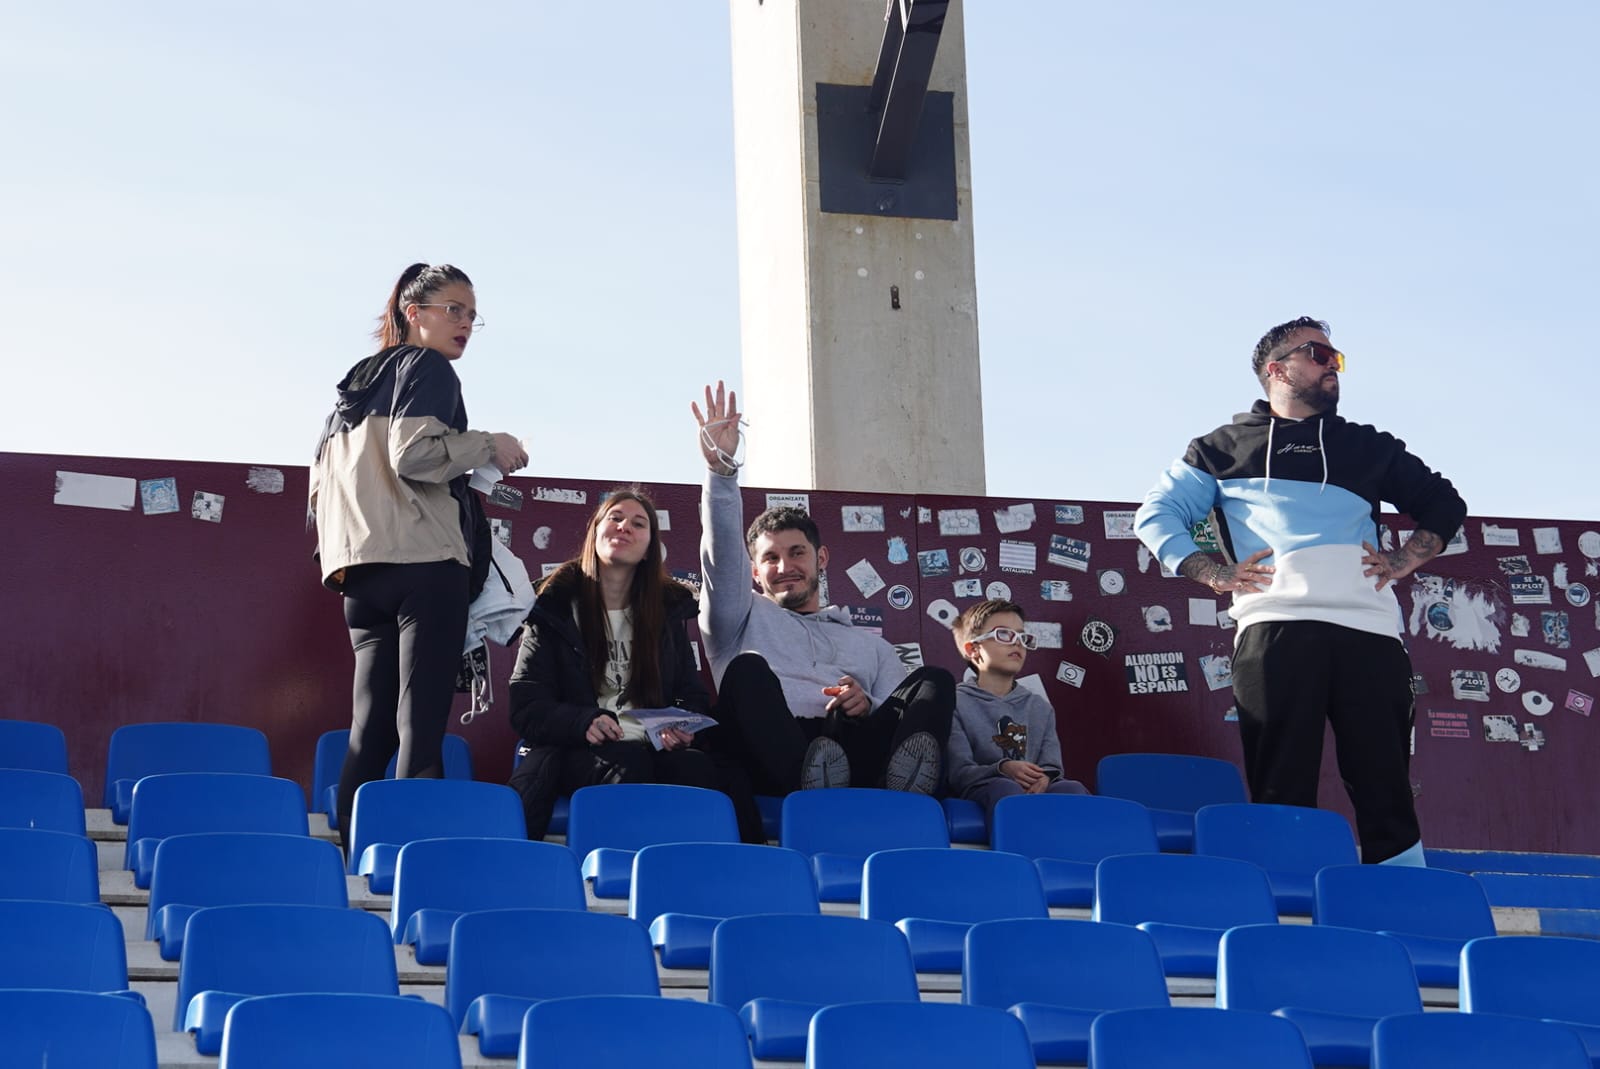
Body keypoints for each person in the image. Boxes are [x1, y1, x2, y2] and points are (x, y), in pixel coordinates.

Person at [1133, 316, 1466, 865]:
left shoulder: (1368, 445)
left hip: (1370, 629)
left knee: (1385, 780)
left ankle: (1404, 904)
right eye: (1318, 354)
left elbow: (1445, 503)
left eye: (1337, 358)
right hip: (1274, 628)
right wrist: (1213, 573)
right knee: (1280, 780)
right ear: (1275, 369)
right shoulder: (1219, 448)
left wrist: (1404, 561)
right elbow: (1156, 514)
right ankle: (1286, 911)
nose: (1332, 365)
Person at [310, 262, 528, 849]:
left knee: (369, 728)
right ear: (414, 313)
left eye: (472, 315)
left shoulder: (348, 390)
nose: (464, 324)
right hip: (426, 567)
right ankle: (414, 854)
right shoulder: (426, 367)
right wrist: (491, 444)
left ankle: (355, 849)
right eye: (453, 309)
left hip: (359, 573)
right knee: (420, 726)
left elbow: (318, 495)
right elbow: (416, 456)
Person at [692, 381, 955, 796]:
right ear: (755, 574)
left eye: (797, 553)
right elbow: (721, 560)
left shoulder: (872, 647)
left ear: (822, 559)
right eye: (770, 559)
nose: (785, 567)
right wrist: (721, 472)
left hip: (851, 749)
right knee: (746, 669)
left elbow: (902, 725)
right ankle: (810, 787)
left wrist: (866, 704)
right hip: (771, 754)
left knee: (934, 680)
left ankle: (901, 797)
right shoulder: (737, 620)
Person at [506, 488, 765, 843]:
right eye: (614, 518)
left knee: (702, 769)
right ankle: (620, 876)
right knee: (630, 766)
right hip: (578, 750)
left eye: (638, 523)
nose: (624, 526)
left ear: (649, 549)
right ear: (594, 533)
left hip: (653, 746)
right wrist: (583, 722)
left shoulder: (667, 611)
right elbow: (527, 707)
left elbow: (692, 695)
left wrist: (682, 725)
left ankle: (734, 878)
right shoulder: (552, 609)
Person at [948, 600, 1087, 832]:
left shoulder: (1040, 707)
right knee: (1006, 789)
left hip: (1032, 790)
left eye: (1022, 637)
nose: (1017, 643)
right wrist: (1004, 768)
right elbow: (959, 773)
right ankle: (1016, 862)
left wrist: (1045, 779)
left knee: (1073, 789)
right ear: (973, 650)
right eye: (1003, 634)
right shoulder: (955, 701)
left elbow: (1053, 767)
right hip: (984, 787)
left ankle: (1080, 862)